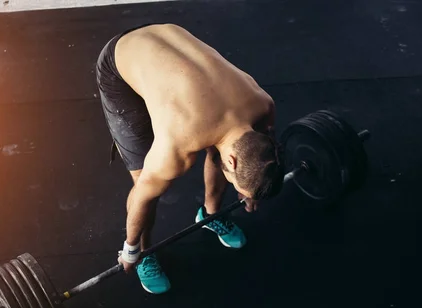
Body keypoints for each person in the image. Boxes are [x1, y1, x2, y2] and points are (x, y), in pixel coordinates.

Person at [96, 23, 284, 294]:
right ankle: (146, 252)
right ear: (230, 163)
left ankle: (209, 214)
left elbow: (262, 152)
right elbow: (142, 196)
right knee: (144, 181)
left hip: (169, 37)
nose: (239, 194)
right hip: (120, 62)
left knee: (223, 142)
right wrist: (130, 249)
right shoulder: (178, 146)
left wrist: (252, 188)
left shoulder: (263, 105)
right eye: (237, 190)